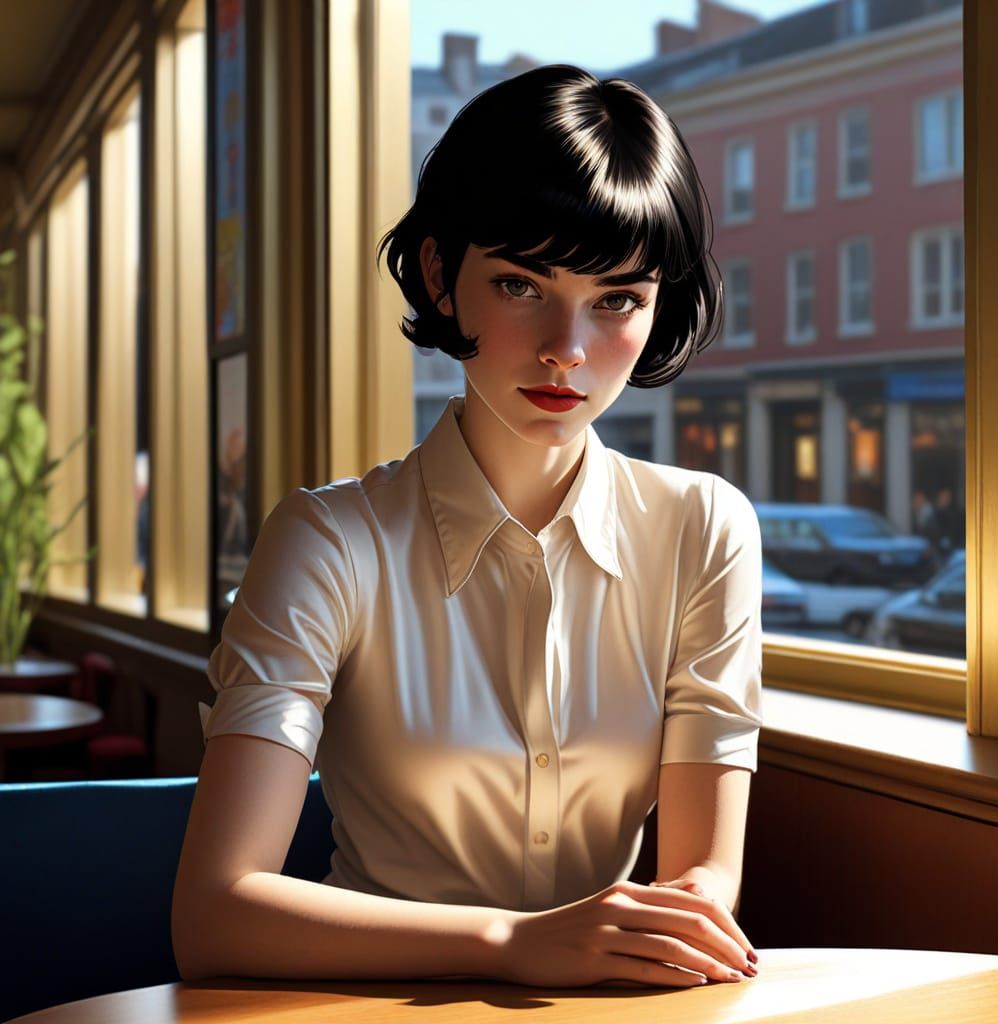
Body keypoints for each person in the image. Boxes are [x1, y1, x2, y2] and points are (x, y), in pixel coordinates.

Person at [172, 64, 763, 991]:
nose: (567, 347)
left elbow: (702, 888)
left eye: (617, 300)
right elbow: (215, 912)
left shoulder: (705, 530)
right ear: (443, 275)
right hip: (358, 1006)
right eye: (523, 284)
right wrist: (510, 944)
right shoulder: (327, 542)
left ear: (658, 309)